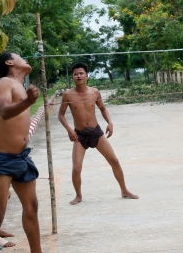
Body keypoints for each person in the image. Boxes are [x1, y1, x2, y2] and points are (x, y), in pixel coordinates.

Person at [0, 52, 63, 253]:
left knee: (32, 206)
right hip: (1, 159)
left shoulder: (20, 85)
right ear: (10, 63)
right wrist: (28, 101)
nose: (24, 58)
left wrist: (28, 99)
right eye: (19, 56)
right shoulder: (5, 83)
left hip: (21, 157)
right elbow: (6, 111)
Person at [58, 62, 139, 205]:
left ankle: (124, 190)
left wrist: (110, 122)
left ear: (87, 76)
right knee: (76, 168)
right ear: (72, 77)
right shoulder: (68, 95)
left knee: (114, 160)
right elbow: (61, 115)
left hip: (96, 132)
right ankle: (78, 195)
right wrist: (69, 130)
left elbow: (103, 109)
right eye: (76, 74)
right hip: (79, 135)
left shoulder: (94, 92)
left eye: (81, 73)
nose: (79, 76)